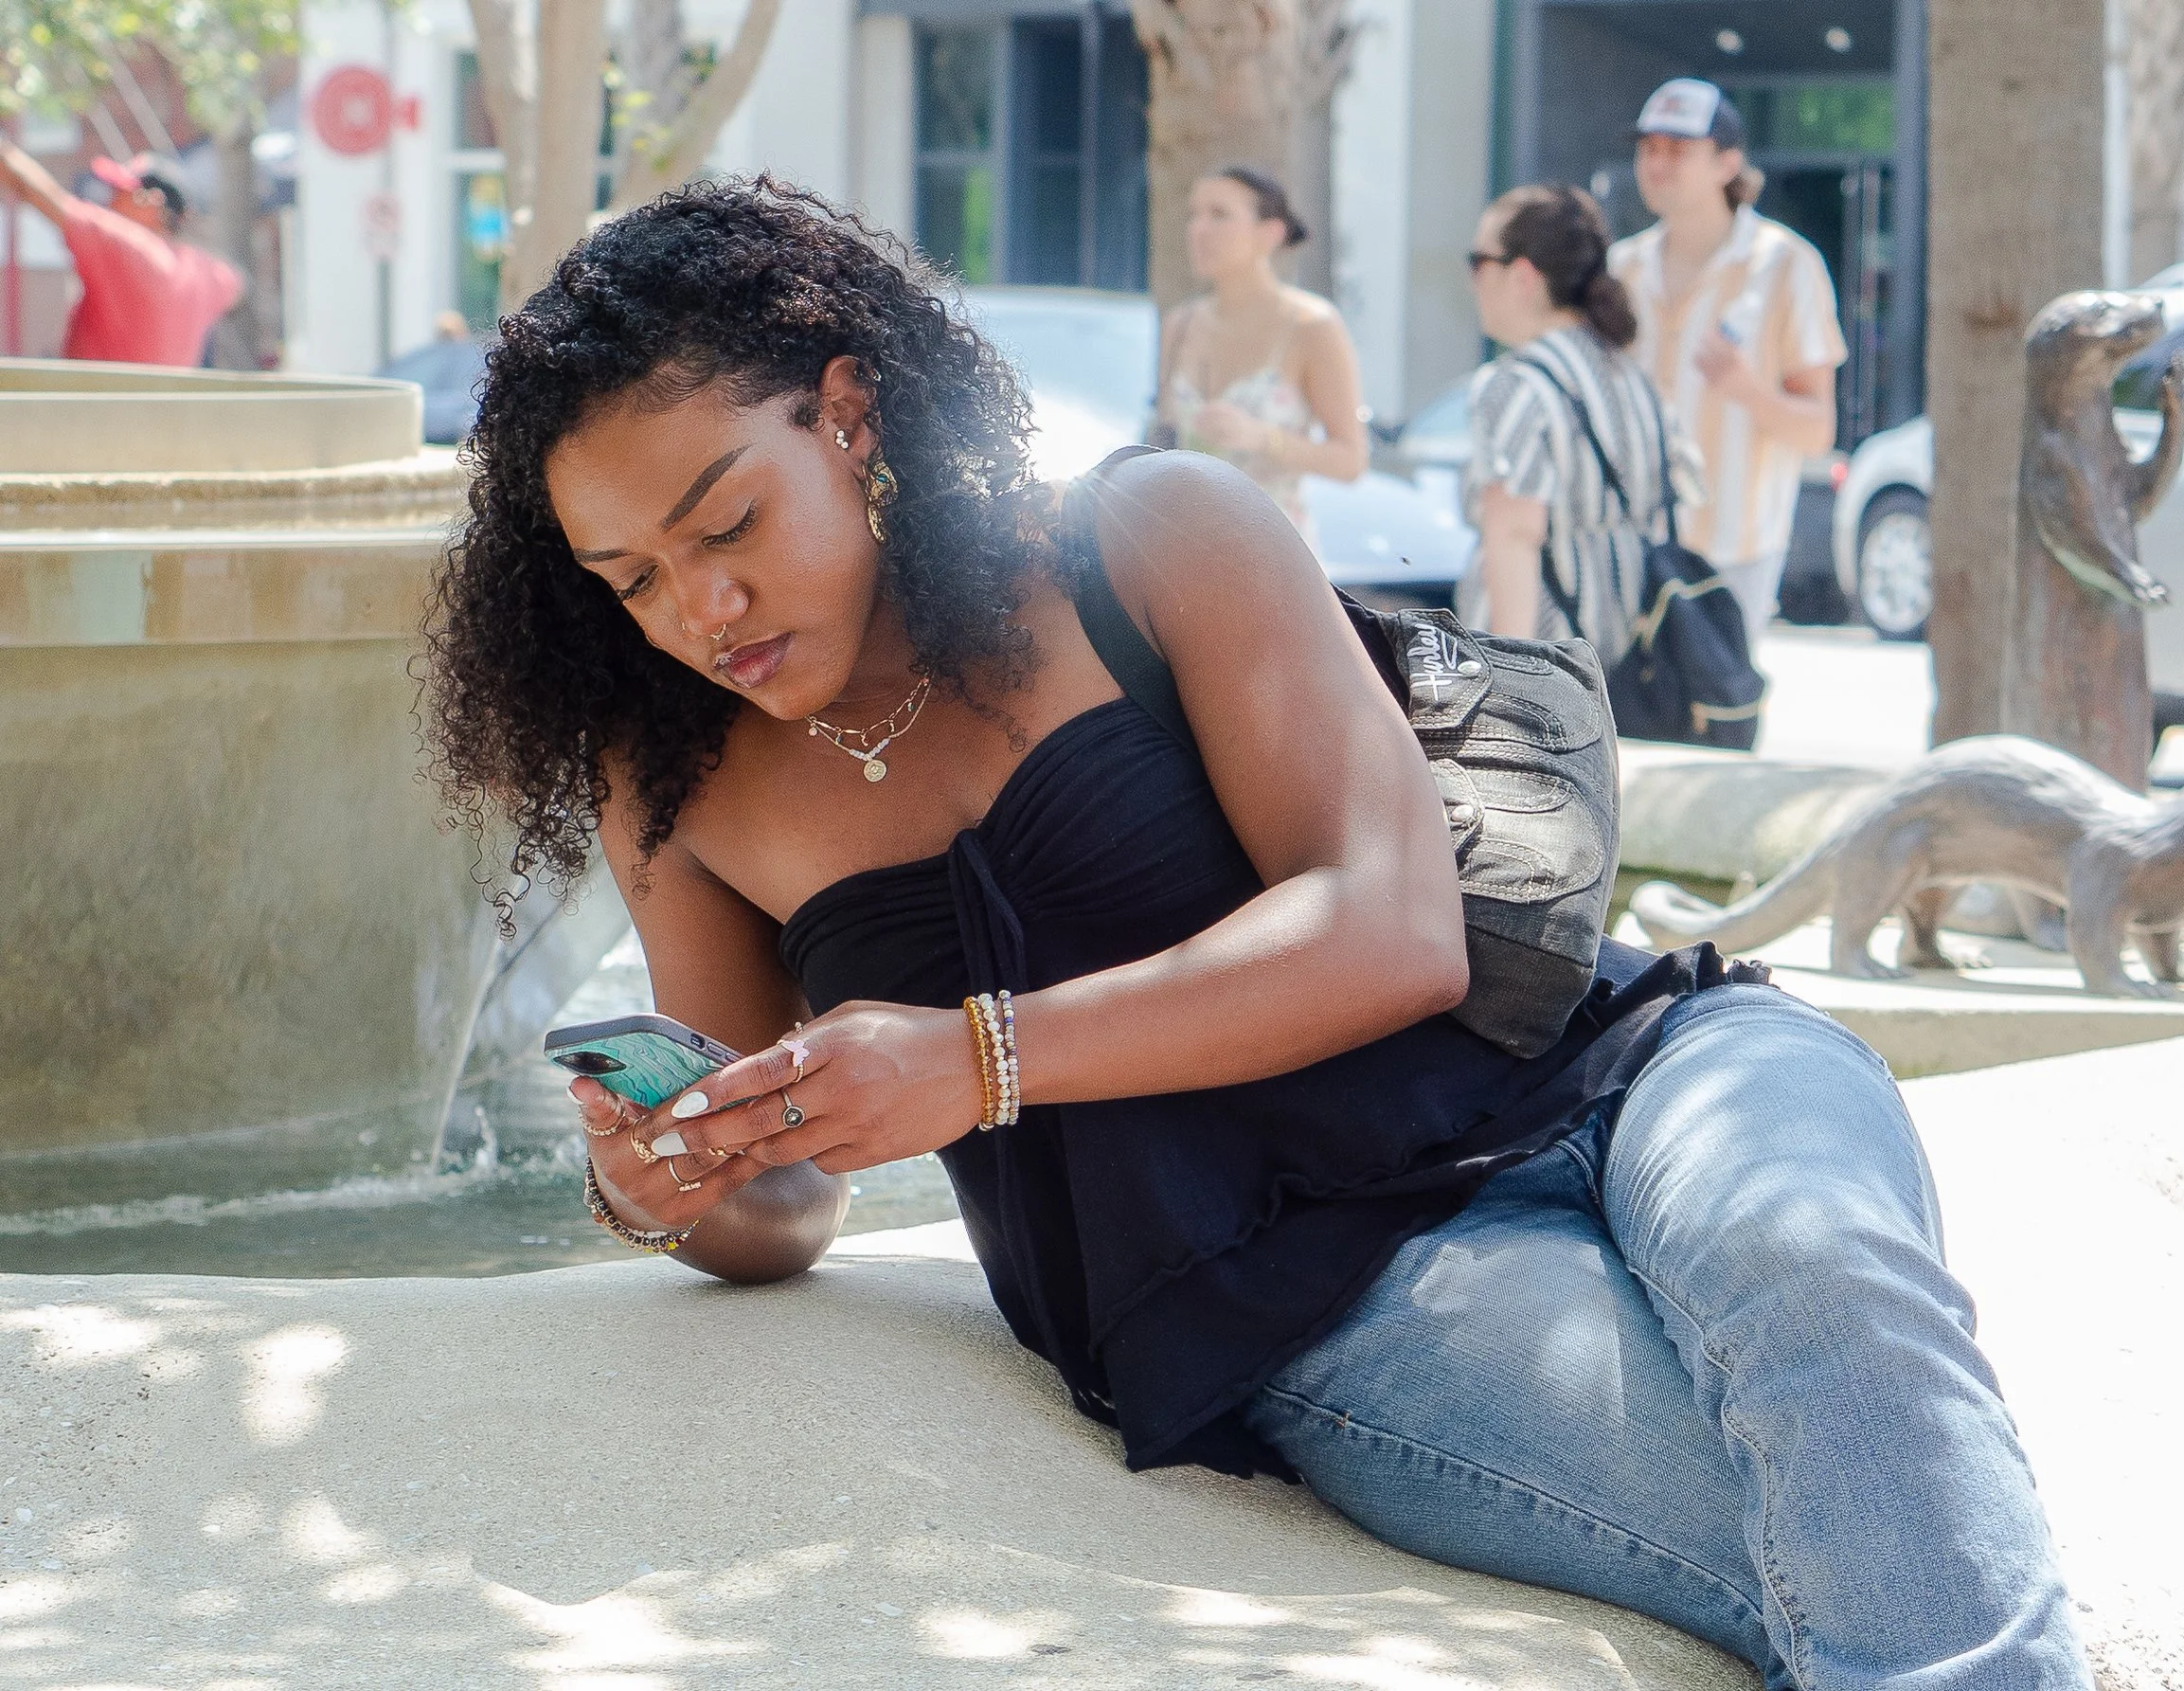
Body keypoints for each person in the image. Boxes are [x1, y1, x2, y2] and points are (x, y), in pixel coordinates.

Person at [422, 176, 2094, 1689]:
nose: (698, 611)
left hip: (1634, 1067)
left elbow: (1393, 929)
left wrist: (982, 1061)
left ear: (848, 414)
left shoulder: (1147, 539)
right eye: (631, 578)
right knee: (1815, 1521)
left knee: (1826, 1287)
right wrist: (671, 1185)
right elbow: (779, 1197)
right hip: (1322, 1295)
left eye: (727, 526)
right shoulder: (676, 779)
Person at [1608, 79, 1842, 642]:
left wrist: (1746, 388)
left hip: (1733, 549)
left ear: (1727, 163)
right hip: (1624, 542)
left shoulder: (1787, 265)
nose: (1657, 164)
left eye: (1677, 149)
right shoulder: (1621, 268)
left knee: (1717, 722)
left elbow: (1817, 431)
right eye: (1649, 148)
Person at [1462, 182, 1672, 661]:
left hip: (1544, 666)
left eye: (1478, 262)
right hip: (1613, 661)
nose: (1473, 281)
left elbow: (1516, 535)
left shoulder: (1514, 386)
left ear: (1522, 276)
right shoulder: (1629, 375)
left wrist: (1506, 680)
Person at [1154, 165, 1368, 543]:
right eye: (1194, 215)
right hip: (1184, 548)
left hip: (1274, 551)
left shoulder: (1311, 326)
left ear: (1270, 234)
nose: (1199, 229)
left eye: (1219, 214)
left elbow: (1351, 460)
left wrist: (1262, 437)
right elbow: (1164, 432)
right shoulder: (1180, 325)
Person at [0, 146, 243, 368]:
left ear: (151, 202)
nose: (110, 199)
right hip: (162, 413)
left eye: (121, 191)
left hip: (93, 410)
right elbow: (236, 285)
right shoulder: (205, 271)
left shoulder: (128, 246)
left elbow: (34, 191)